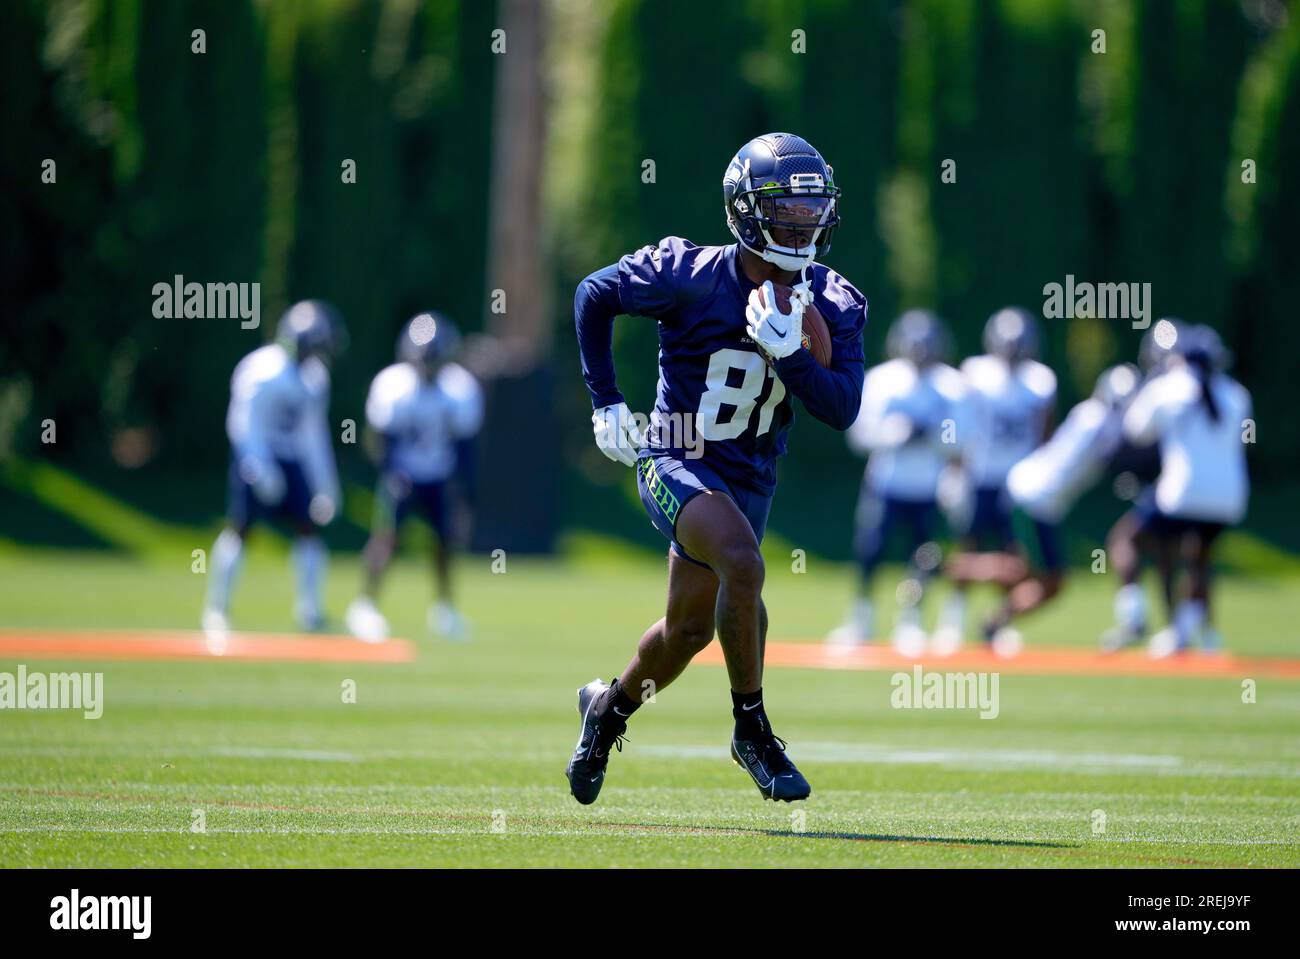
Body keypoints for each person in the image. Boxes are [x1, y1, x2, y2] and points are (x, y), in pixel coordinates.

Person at [566, 133, 867, 804]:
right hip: (675, 452)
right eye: (786, 209)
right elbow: (593, 294)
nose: (804, 222)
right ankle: (752, 730)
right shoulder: (690, 273)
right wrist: (606, 398)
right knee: (745, 564)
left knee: (689, 630)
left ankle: (605, 711)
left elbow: (843, 408)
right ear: (748, 212)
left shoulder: (835, 299)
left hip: (752, 474)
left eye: (812, 208)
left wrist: (792, 356)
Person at [955, 363, 1141, 651]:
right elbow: (1125, 455)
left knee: (1042, 578)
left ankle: (992, 619)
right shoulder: (1103, 422)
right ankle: (961, 571)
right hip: (1035, 499)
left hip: (1037, 496)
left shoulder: (1089, 413)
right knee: (1043, 578)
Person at [202, 300, 346, 634]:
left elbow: (313, 435)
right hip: (257, 455)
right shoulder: (261, 369)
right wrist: (258, 467)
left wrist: (326, 485)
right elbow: (242, 423)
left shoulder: (314, 378)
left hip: (292, 457)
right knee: (241, 528)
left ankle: (310, 610)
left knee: (309, 530)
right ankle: (217, 608)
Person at [826, 309, 963, 653]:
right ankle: (862, 619)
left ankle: (911, 621)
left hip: (929, 486)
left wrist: (931, 436)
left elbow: (961, 439)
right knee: (870, 553)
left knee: (923, 557)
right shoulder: (882, 380)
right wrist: (895, 435)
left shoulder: (950, 385)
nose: (920, 352)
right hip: (886, 483)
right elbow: (859, 435)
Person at [1111, 325, 1251, 657]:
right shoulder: (1238, 394)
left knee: (1125, 540)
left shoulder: (1167, 388)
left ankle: (1135, 616)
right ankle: (1196, 634)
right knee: (1199, 561)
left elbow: (1135, 430)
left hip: (1182, 494)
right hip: (1230, 499)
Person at [345, 312, 483, 643]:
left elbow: (465, 445)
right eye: (424, 358)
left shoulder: (460, 388)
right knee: (386, 537)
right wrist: (391, 473)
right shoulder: (393, 386)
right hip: (402, 473)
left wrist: (462, 487)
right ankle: (365, 606)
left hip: (439, 474)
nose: (429, 365)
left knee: (446, 541)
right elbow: (378, 439)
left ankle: (445, 609)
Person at [932, 307, 1056, 654]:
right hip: (981, 475)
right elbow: (958, 423)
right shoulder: (976, 373)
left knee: (1015, 556)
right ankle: (951, 620)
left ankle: (1000, 624)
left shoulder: (1040, 381)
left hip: (1019, 482)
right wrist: (954, 466)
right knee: (968, 547)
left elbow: (1045, 436)